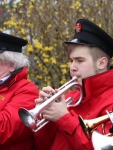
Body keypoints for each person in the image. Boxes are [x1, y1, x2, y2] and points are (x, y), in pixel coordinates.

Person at [34, 19, 113, 150]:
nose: (72, 68)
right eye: (71, 61)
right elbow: (44, 145)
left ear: (102, 63)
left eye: (79, 61)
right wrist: (44, 114)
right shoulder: (71, 98)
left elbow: (100, 147)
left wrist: (63, 118)